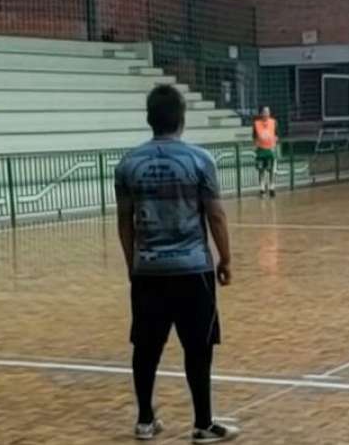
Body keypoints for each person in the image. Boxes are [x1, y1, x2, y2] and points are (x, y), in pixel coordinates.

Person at [115, 84, 240, 443]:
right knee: (198, 347)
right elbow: (215, 215)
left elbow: (125, 222)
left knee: (146, 347)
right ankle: (203, 424)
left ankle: (144, 420)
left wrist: (132, 264)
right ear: (182, 120)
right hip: (193, 269)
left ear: (149, 119)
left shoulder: (128, 164)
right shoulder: (200, 160)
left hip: (148, 270)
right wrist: (226, 258)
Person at [253, 106, 279, 198]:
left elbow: (276, 135)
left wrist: (274, 146)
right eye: (264, 112)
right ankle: (262, 189)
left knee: (272, 170)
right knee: (261, 170)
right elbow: (255, 137)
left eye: (268, 112)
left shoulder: (274, 122)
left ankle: (272, 187)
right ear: (261, 114)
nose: (266, 114)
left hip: (270, 149)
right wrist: (256, 148)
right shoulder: (256, 124)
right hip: (260, 150)